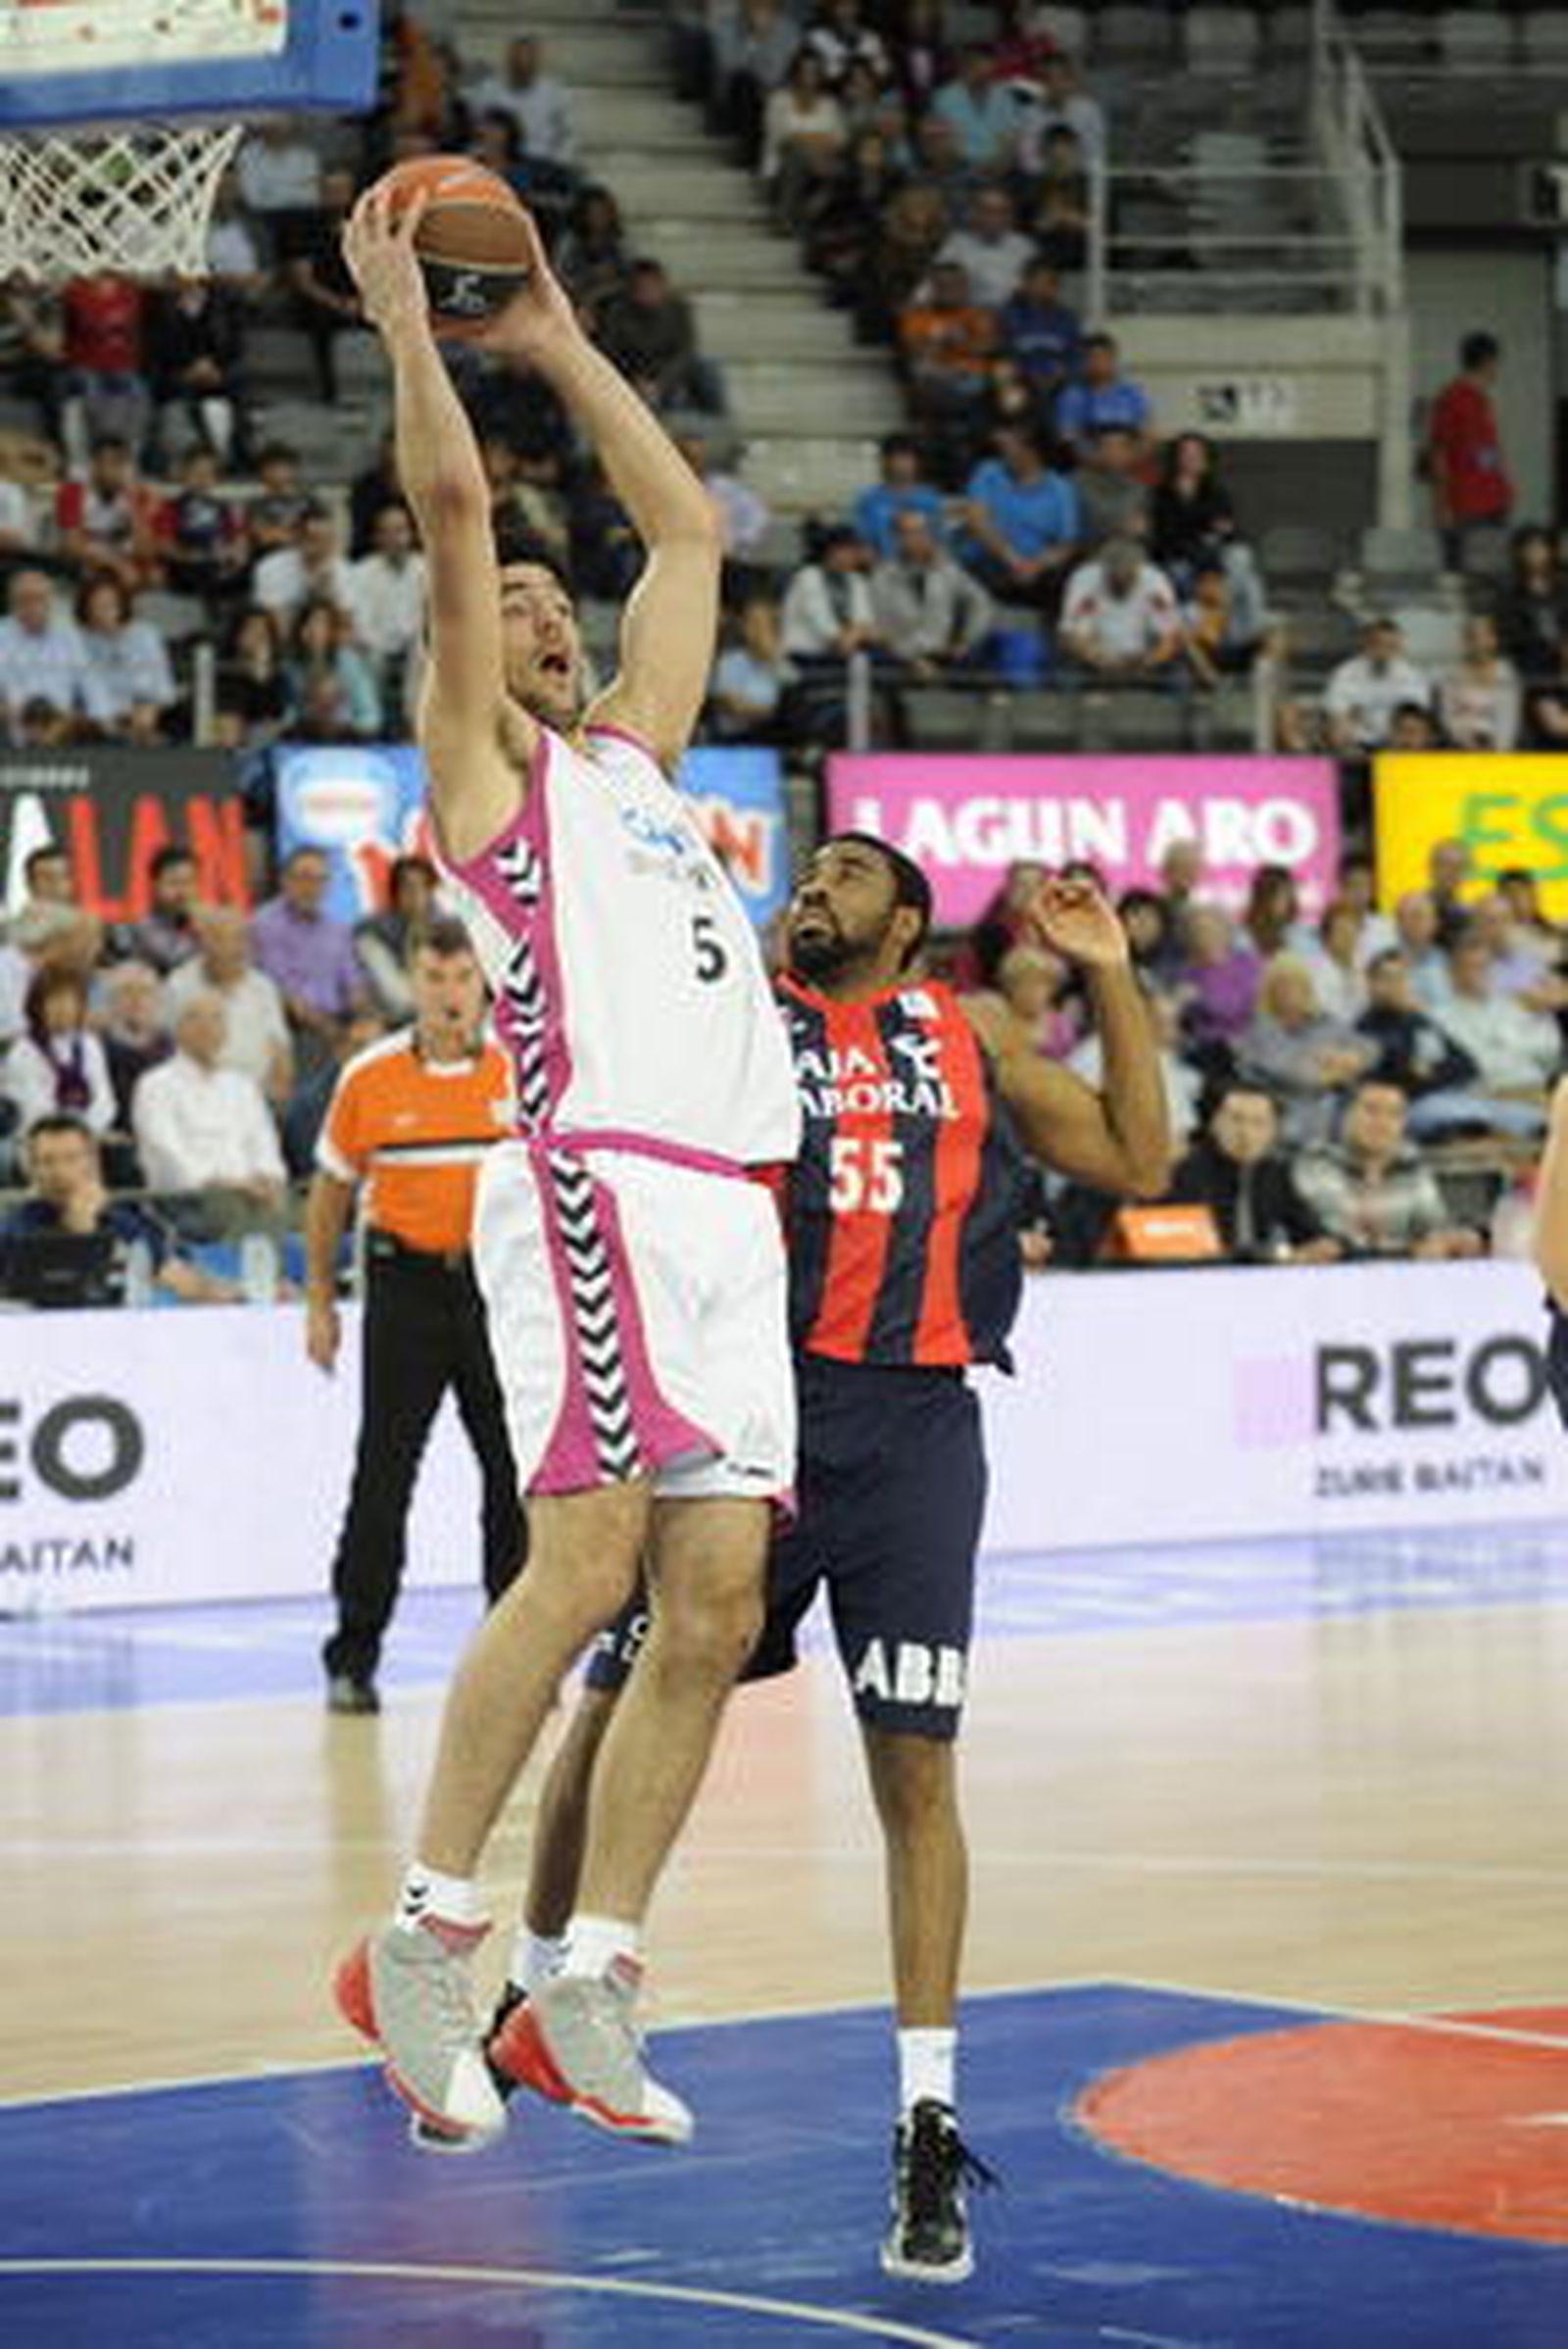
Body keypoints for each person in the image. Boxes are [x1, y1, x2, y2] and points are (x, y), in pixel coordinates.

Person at [505, 836, 1170, 2280]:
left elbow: (1140, 1157)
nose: (813, 888)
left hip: (922, 1434)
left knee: (915, 1776)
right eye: (804, 873)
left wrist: (1114, 978)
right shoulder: (740, 1012)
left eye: (847, 875)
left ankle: (927, 2123)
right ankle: (532, 1985)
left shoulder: (975, 1028)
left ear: (912, 920)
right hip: (761, 1415)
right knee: (620, 1700)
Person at [331, 180, 801, 2153]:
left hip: (725, 1203)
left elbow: (687, 528)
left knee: (713, 1599)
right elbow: (450, 520)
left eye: (549, 594)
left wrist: (551, 336)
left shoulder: (634, 767)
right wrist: (416, 337)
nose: (531, 600)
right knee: (585, 1558)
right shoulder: (487, 784)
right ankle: (429, 1931)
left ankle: (582, 1969)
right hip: (595, 1178)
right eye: (509, 596)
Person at [307, 917, 525, 1715]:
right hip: (404, 1292)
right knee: (383, 1476)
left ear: (482, 982)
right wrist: (320, 1304)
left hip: (497, 1295)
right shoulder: (369, 1076)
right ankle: (352, 1654)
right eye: (433, 979)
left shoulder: (519, 1071)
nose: (448, 994)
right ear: (413, 981)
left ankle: (516, 1661)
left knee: (513, 1476)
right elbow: (329, 1196)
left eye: (462, 978)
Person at [2, 1113, 233, 1304]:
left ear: (92, 1162)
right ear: (31, 1170)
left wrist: (208, 1289)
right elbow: (57, 1297)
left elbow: (176, 1272)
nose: (60, 1171)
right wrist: (81, 1228)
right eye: (47, 1161)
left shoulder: (126, 1219)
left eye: (71, 1158)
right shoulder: (15, 1231)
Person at [130, 992, 288, 1231]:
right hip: (188, 1201)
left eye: (217, 1019)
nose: (208, 1027)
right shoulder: (155, 1085)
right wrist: (221, 1183)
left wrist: (269, 1177)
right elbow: (164, 1153)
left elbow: (264, 1142)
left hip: (252, 1196)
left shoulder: (243, 1085)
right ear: (178, 1029)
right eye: (196, 1019)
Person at [1293, 1079, 1484, 1259]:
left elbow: (1433, 1227)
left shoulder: (1411, 1163)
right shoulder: (1317, 1160)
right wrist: (1411, 1251)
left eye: (1394, 1114)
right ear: (1344, 1115)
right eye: (1371, 1110)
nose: (1382, 1122)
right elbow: (1342, 1241)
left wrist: (1453, 1239)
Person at [1168, 1082, 1335, 1263]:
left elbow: (1311, 1231)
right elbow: (1180, 1245)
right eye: (1236, 1119)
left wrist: (1325, 1245)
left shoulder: (1274, 1174)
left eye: (1259, 1123)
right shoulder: (1185, 1172)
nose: (1246, 1132)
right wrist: (1277, 1257)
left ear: (1273, 1132)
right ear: (1214, 1123)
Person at [166, 905, 294, 1104]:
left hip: (259, 1095)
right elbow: (172, 1050)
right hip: (200, 1093)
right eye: (220, 938)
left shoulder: (263, 987)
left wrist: (277, 1093)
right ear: (203, 943)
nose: (232, 947)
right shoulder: (180, 984)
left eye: (240, 939)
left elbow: (280, 1050)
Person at [870, 508, 993, 673]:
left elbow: (981, 603)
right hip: (902, 659)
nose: (917, 538)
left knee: (993, 686)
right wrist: (911, 660)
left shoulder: (947, 569)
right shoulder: (882, 577)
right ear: (896, 538)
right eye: (908, 533)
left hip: (946, 654)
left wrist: (967, 641)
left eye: (921, 532)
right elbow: (882, 630)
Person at [1426, 330, 1512, 567]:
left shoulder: (1482, 400)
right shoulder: (1451, 398)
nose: (1497, 369)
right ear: (1486, 362)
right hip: (1466, 509)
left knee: (1492, 573)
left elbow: (1487, 453)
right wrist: (1442, 506)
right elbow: (1438, 453)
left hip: (1493, 504)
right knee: (1466, 577)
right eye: (1496, 363)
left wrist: (1503, 489)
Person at [3, 965, 115, 1140]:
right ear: (38, 1006)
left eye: (70, 1001)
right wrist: (72, 1134)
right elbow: (34, 1110)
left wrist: (88, 1131)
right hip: (40, 1138)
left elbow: (105, 1100)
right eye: (54, 1001)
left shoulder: (90, 1044)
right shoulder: (23, 1051)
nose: (63, 1009)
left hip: (87, 1135)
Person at [1322, 616, 1433, 756]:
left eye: (1391, 646)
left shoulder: (1412, 676)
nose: (1384, 652)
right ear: (1366, 643)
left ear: (1400, 646)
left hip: (1397, 743)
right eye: (1378, 644)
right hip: (1358, 741)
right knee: (1336, 727)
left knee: (1413, 727)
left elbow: (1416, 715)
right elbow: (1338, 713)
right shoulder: (1345, 673)